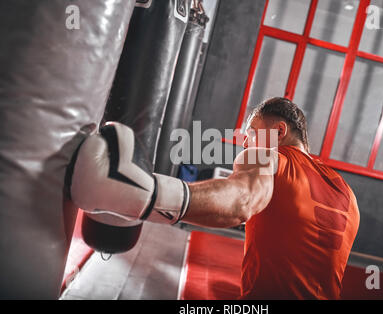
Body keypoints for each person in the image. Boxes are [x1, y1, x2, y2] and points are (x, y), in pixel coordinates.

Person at [71, 97, 359, 300]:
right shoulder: (347, 194)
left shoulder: (270, 156)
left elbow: (242, 202)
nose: (245, 144)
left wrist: (146, 196)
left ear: (278, 131)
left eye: (251, 135)